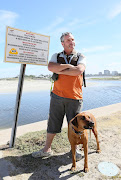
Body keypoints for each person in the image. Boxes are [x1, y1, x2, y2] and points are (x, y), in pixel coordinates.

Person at [32, 32, 86, 160]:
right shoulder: (56, 55)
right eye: (68, 40)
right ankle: (47, 149)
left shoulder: (81, 56)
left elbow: (78, 70)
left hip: (75, 97)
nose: (72, 41)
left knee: (75, 125)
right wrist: (68, 66)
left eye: (73, 39)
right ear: (63, 43)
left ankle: (75, 149)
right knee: (53, 123)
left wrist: (60, 69)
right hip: (57, 96)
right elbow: (50, 67)